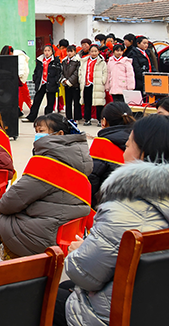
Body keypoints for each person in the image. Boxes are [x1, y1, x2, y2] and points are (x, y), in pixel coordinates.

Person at [58, 115, 169, 326]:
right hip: (156, 308)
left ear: (142, 154)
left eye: (127, 147)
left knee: (40, 300)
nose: (123, 153)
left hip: (117, 314)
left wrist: (77, 251)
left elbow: (85, 274)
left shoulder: (126, 209)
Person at [0, 113, 92, 259]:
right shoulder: (80, 159)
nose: (37, 136)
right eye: (36, 132)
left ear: (59, 134)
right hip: (68, 232)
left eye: (41, 131)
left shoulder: (47, 164)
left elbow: (6, 204)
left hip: (43, 235)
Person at [87, 102, 135, 207]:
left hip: (107, 207)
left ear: (104, 122)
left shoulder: (102, 144)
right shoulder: (140, 140)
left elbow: (91, 182)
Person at [25, 45, 61, 122]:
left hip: (51, 83)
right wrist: (35, 79)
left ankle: (48, 117)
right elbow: (36, 71)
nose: (47, 52)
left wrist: (55, 80)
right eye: (45, 51)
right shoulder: (40, 60)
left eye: (49, 51)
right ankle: (32, 116)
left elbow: (58, 73)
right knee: (36, 100)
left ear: (52, 52)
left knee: (50, 102)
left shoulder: (55, 61)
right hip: (41, 83)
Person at [79, 44, 107, 126]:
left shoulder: (101, 62)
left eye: (95, 51)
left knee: (99, 103)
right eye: (92, 51)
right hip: (87, 84)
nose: (94, 53)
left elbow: (105, 72)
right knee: (87, 102)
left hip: (97, 84)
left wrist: (103, 80)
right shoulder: (84, 61)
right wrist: (81, 79)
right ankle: (87, 119)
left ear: (98, 52)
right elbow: (80, 71)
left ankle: (99, 120)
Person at [60, 45, 82, 122]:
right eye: (68, 51)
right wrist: (64, 80)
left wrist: (70, 81)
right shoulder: (64, 61)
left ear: (75, 52)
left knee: (76, 102)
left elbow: (77, 73)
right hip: (66, 84)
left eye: (71, 51)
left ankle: (77, 117)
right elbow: (61, 72)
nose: (69, 53)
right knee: (68, 102)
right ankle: (68, 117)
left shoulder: (78, 61)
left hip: (75, 84)